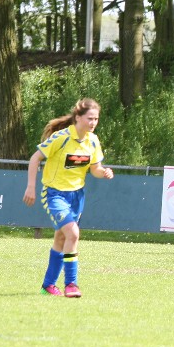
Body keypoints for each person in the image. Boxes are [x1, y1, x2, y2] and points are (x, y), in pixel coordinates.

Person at [23, 98, 114, 298]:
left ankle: (48, 286)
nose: (93, 123)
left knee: (61, 238)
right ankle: (71, 284)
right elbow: (35, 158)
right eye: (90, 118)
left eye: (96, 119)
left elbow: (95, 169)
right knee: (72, 233)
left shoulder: (93, 141)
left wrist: (104, 172)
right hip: (54, 194)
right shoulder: (61, 137)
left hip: (77, 196)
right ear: (78, 117)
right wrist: (31, 187)